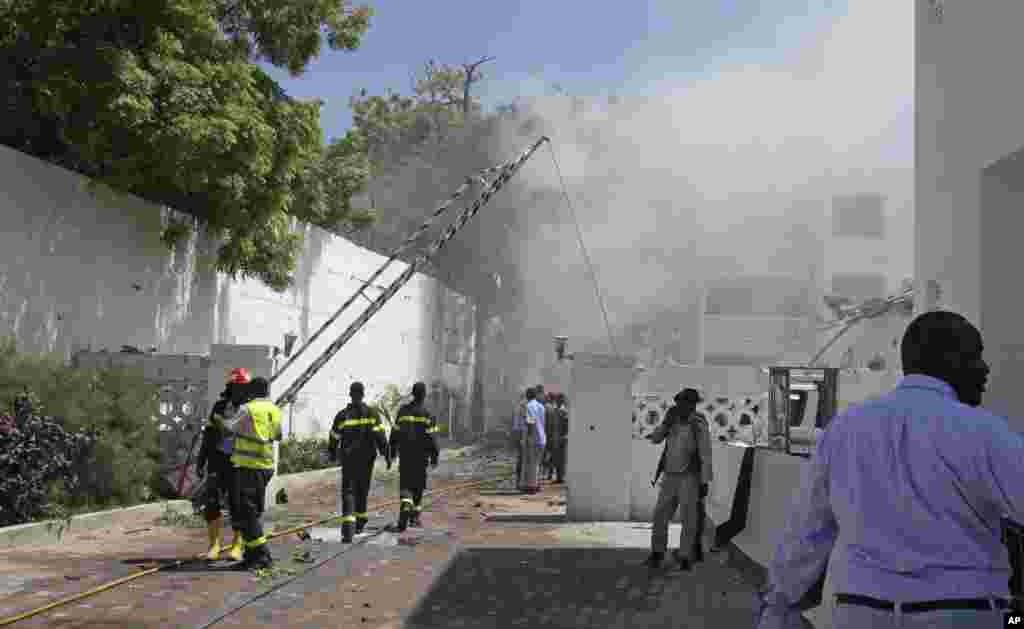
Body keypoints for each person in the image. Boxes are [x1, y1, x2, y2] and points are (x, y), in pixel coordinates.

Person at [756, 310, 1021, 629]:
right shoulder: (985, 433)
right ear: (949, 359)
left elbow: (807, 530)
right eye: (976, 356)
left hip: (860, 613)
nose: (985, 368)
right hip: (960, 613)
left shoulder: (844, 430)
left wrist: (780, 603)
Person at [646, 388, 712, 570]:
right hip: (669, 476)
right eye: (680, 402)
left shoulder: (699, 422)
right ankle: (657, 553)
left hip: (689, 478)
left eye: (687, 403)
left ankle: (685, 557)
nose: (682, 406)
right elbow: (656, 439)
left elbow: (706, 453)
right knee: (660, 515)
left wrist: (704, 480)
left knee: (689, 519)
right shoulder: (672, 420)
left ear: (693, 405)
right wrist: (665, 424)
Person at [222, 376, 283, 570]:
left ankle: (262, 555)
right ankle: (252, 557)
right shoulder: (274, 409)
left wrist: (218, 420)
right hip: (265, 466)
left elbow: (229, 428)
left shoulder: (247, 408)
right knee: (251, 511)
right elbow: (278, 435)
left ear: (252, 391)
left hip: (248, 466)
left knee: (246, 511)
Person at [195, 368, 250, 561]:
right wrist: (201, 460)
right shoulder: (219, 407)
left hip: (240, 463)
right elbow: (208, 436)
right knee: (212, 503)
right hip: (218, 461)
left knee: (238, 504)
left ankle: (236, 546)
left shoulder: (250, 410)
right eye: (238, 387)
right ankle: (214, 546)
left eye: (244, 388)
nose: (241, 392)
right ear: (230, 388)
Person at [328, 382, 389, 543]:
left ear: (350, 394)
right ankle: (360, 523)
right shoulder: (372, 414)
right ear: (362, 394)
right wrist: (386, 454)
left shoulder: (342, 415)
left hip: (348, 459)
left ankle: (348, 529)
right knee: (362, 489)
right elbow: (380, 436)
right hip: (367, 459)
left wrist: (333, 453)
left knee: (348, 491)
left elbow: (334, 437)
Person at [389, 382, 440, 531]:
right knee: (418, 487)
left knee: (405, 484)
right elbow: (432, 438)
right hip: (421, 457)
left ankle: (406, 504)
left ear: (413, 394)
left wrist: (392, 452)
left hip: (405, 456)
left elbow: (394, 434)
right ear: (424, 395)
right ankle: (415, 518)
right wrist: (434, 456)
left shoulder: (402, 411)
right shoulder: (427, 414)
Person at [520, 387, 547, 494]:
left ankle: (531, 486)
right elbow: (543, 422)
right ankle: (535, 484)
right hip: (542, 438)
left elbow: (530, 423)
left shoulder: (529, 406)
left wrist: (528, 438)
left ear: (527, 395)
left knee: (531, 463)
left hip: (533, 438)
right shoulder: (541, 406)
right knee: (537, 463)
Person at [546, 393, 569, 484]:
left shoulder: (564, 411)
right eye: (557, 400)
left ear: (562, 401)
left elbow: (566, 426)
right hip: (555, 437)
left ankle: (561, 477)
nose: (558, 401)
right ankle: (559, 477)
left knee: (561, 459)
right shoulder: (555, 410)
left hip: (561, 438)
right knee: (556, 458)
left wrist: (564, 436)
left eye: (560, 400)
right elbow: (552, 425)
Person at [513, 388, 529, 491]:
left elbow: (516, 424)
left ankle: (518, 482)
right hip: (524, 434)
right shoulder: (526, 406)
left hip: (518, 434)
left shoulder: (518, 406)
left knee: (520, 459)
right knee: (525, 460)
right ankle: (522, 483)